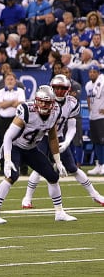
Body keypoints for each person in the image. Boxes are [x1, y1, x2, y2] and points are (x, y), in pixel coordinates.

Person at [0, 86, 76, 224]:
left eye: (47, 102)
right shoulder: (27, 111)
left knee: (53, 176)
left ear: (53, 103)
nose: (44, 105)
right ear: (36, 101)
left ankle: (59, 212)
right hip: (15, 146)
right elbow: (8, 136)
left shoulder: (55, 113)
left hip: (31, 149)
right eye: (41, 101)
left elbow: (53, 137)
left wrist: (58, 161)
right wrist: (8, 158)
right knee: (12, 176)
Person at [22, 75, 104, 207]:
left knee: (73, 168)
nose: (59, 91)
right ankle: (27, 198)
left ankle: (95, 194)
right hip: (42, 137)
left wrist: (66, 142)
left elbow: (72, 127)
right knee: (39, 168)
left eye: (63, 88)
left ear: (68, 89)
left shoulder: (72, 103)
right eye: (56, 88)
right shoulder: (46, 99)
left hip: (58, 137)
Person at [0, 73, 26, 176]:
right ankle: (4, 167)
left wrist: (6, 103)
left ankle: (22, 167)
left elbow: (21, 103)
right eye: (8, 79)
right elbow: (0, 105)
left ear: (15, 80)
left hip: (17, 119)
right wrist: (13, 102)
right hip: (3, 121)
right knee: (4, 143)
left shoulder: (20, 91)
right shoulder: (0, 92)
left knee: (20, 142)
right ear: (5, 81)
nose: (10, 81)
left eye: (12, 79)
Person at [86, 66, 104, 175]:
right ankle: (99, 164)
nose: (92, 74)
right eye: (90, 72)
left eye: (94, 72)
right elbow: (89, 98)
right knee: (96, 141)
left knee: (103, 142)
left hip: (102, 117)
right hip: (93, 116)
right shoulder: (88, 85)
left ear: (98, 73)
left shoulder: (102, 83)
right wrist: (90, 110)